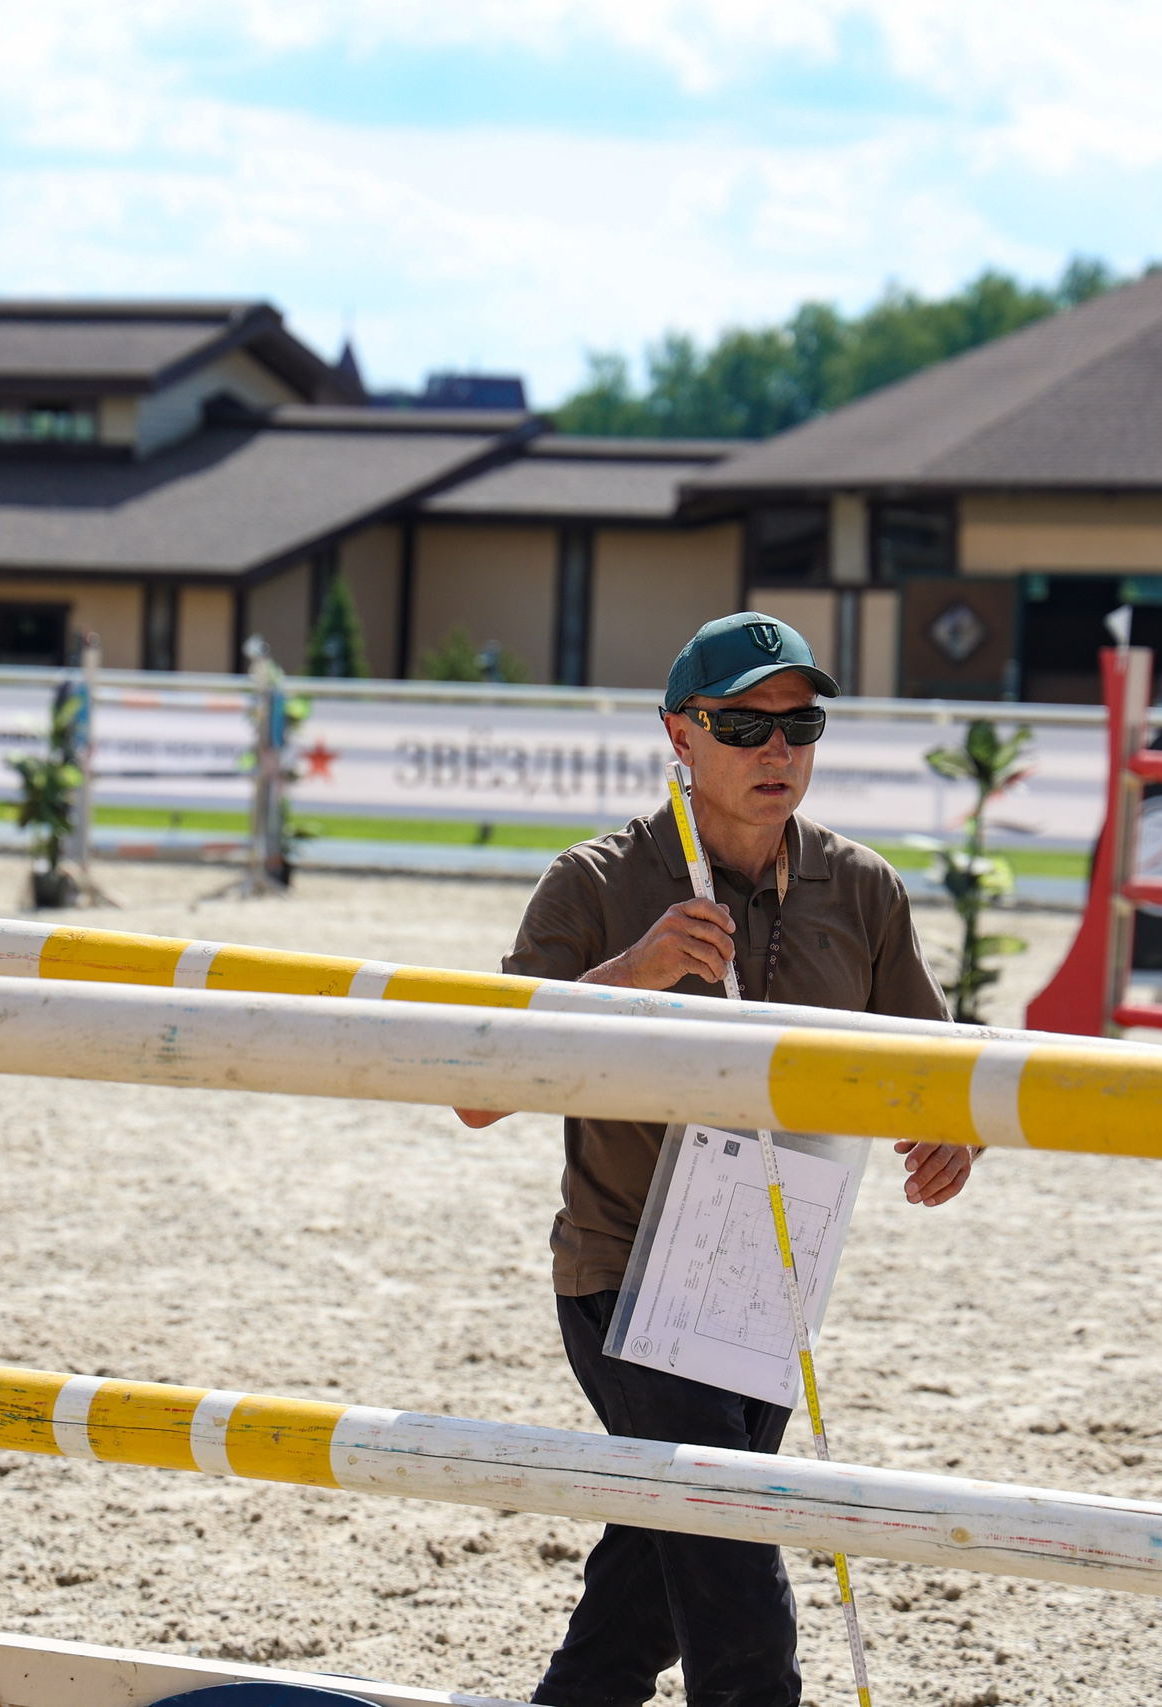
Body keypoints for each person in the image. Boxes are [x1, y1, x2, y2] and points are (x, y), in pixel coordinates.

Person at [454, 611, 974, 1707]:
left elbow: (933, 1065)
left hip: (767, 1289)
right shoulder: (592, 882)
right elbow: (474, 1088)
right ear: (678, 736)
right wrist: (629, 973)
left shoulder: (864, 888)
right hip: (623, 1280)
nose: (778, 751)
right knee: (737, 1579)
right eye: (744, 724)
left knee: (646, 1589)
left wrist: (947, 1134)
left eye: (801, 724)